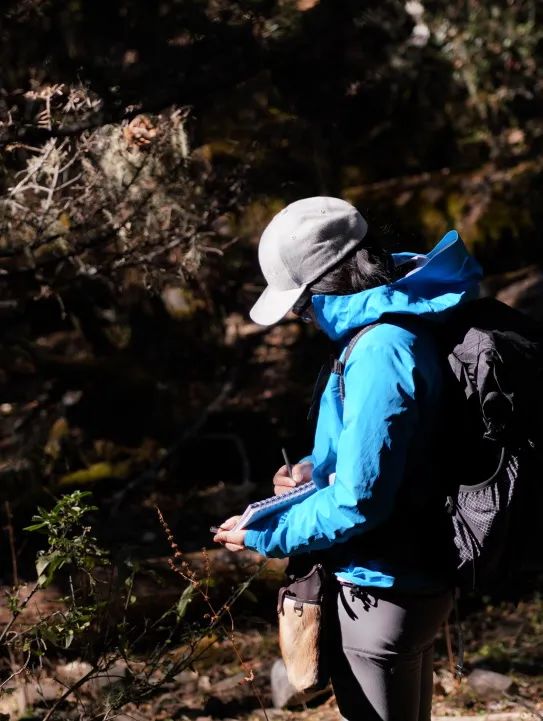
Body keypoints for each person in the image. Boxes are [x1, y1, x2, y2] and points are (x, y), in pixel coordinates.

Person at [214, 196, 483, 721]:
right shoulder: (402, 321)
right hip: (410, 578)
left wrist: (263, 534)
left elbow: (361, 500)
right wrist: (312, 471)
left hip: (382, 586)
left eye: (299, 301)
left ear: (325, 285)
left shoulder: (381, 347)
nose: (302, 316)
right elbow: (385, 454)